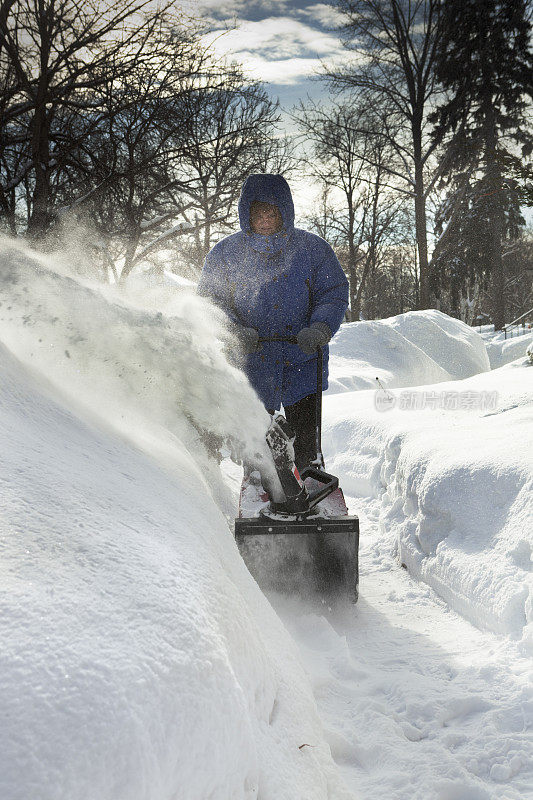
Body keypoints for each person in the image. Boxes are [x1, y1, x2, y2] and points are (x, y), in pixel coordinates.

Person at [198, 173, 348, 472]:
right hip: (250, 363)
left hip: (303, 359)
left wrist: (320, 328)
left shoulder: (312, 250)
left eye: (271, 213)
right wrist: (233, 332)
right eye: (258, 214)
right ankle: (258, 487)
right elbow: (210, 302)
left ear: (285, 212)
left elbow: (332, 293)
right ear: (246, 215)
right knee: (257, 444)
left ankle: (311, 480)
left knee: (307, 444)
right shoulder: (226, 254)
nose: (265, 220)